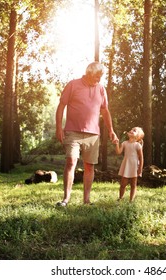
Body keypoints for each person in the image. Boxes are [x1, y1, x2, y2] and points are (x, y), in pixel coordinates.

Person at [55, 62, 118, 206]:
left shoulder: (101, 89)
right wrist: (59, 127)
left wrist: (111, 130)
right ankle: (66, 199)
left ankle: (87, 200)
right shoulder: (73, 85)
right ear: (89, 73)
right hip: (72, 131)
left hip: (93, 134)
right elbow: (61, 106)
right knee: (71, 161)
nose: (99, 79)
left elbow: (105, 111)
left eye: (101, 76)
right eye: (97, 76)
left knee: (90, 166)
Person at [114, 127, 144, 202]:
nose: (131, 130)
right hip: (126, 165)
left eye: (134, 130)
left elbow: (141, 158)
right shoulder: (124, 143)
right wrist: (117, 144)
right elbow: (118, 152)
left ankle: (131, 200)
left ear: (138, 136)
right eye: (131, 129)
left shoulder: (137, 145)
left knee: (133, 185)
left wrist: (140, 168)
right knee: (123, 184)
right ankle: (120, 198)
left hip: (134, 166)